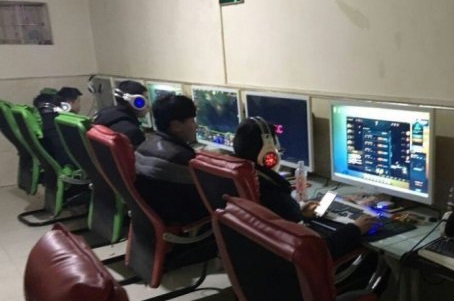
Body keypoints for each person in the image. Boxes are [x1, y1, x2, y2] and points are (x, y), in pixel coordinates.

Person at [232, 117, 378, 259]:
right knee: (373, 255)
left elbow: (273, 218)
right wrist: (356, 229)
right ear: (268, 155)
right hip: (299, 267)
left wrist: (298, 212)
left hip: (261, 261)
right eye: (278, 151)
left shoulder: (240, 180)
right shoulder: (273, 192)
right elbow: (319, 251)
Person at [134, 94, 208, 224]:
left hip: (153, 215)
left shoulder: (145, 145)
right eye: (192, 121)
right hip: (180, 220)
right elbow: (204, 194)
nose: (196, 126)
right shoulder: (179, 157)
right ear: (176, 126)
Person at [94, 80, 149, 148]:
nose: (148, 105)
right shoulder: (132, 132)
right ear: (135, 102)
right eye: (145, 100)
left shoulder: (102, 114)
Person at [32, 92, 74, 167]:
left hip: (51, 166)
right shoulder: (60, 125)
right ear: (59, 108)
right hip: (68, 164)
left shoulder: (36, 124)